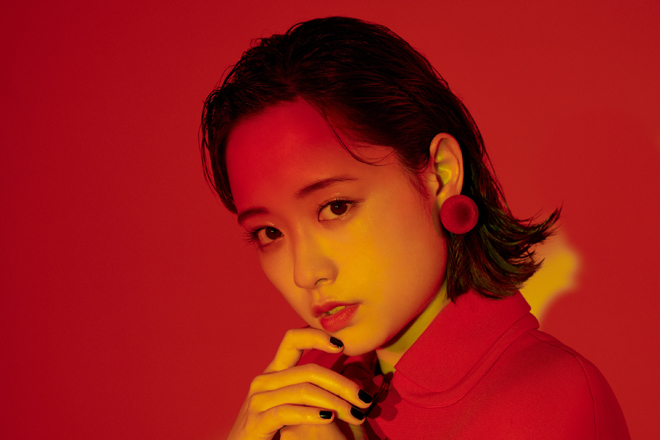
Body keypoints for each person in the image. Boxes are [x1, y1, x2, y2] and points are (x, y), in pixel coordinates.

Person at [200, 16, 629, 440]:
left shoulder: (546, 400)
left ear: (440, 173)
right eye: (269, 233)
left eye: (335, 207)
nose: (305, 274)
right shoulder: (301, 403)